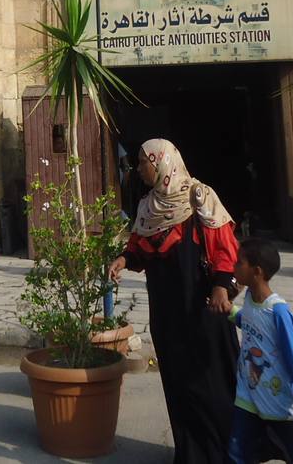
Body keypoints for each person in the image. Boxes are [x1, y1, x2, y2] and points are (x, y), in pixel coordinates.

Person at [108, 138, 240, 463]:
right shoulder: (148, 206)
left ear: (161, 162)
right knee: (179, 382)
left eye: (143, 162)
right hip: (167, 313)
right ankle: (191, 454)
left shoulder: (198, 196)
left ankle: (226, 454)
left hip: (202, 308)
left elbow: (224, 247)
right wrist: (124, 259)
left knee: (210, 381)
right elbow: (140, 247)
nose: (139, 169)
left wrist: (221, 287)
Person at [226, 238, 293, 464]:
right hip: (248, 395)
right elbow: (251, 323)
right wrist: (232, 312)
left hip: (278, 403)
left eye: (239, 263)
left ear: (257, 271)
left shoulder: (278, 312)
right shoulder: (249, 298)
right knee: (236, 453)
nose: (234, 266)